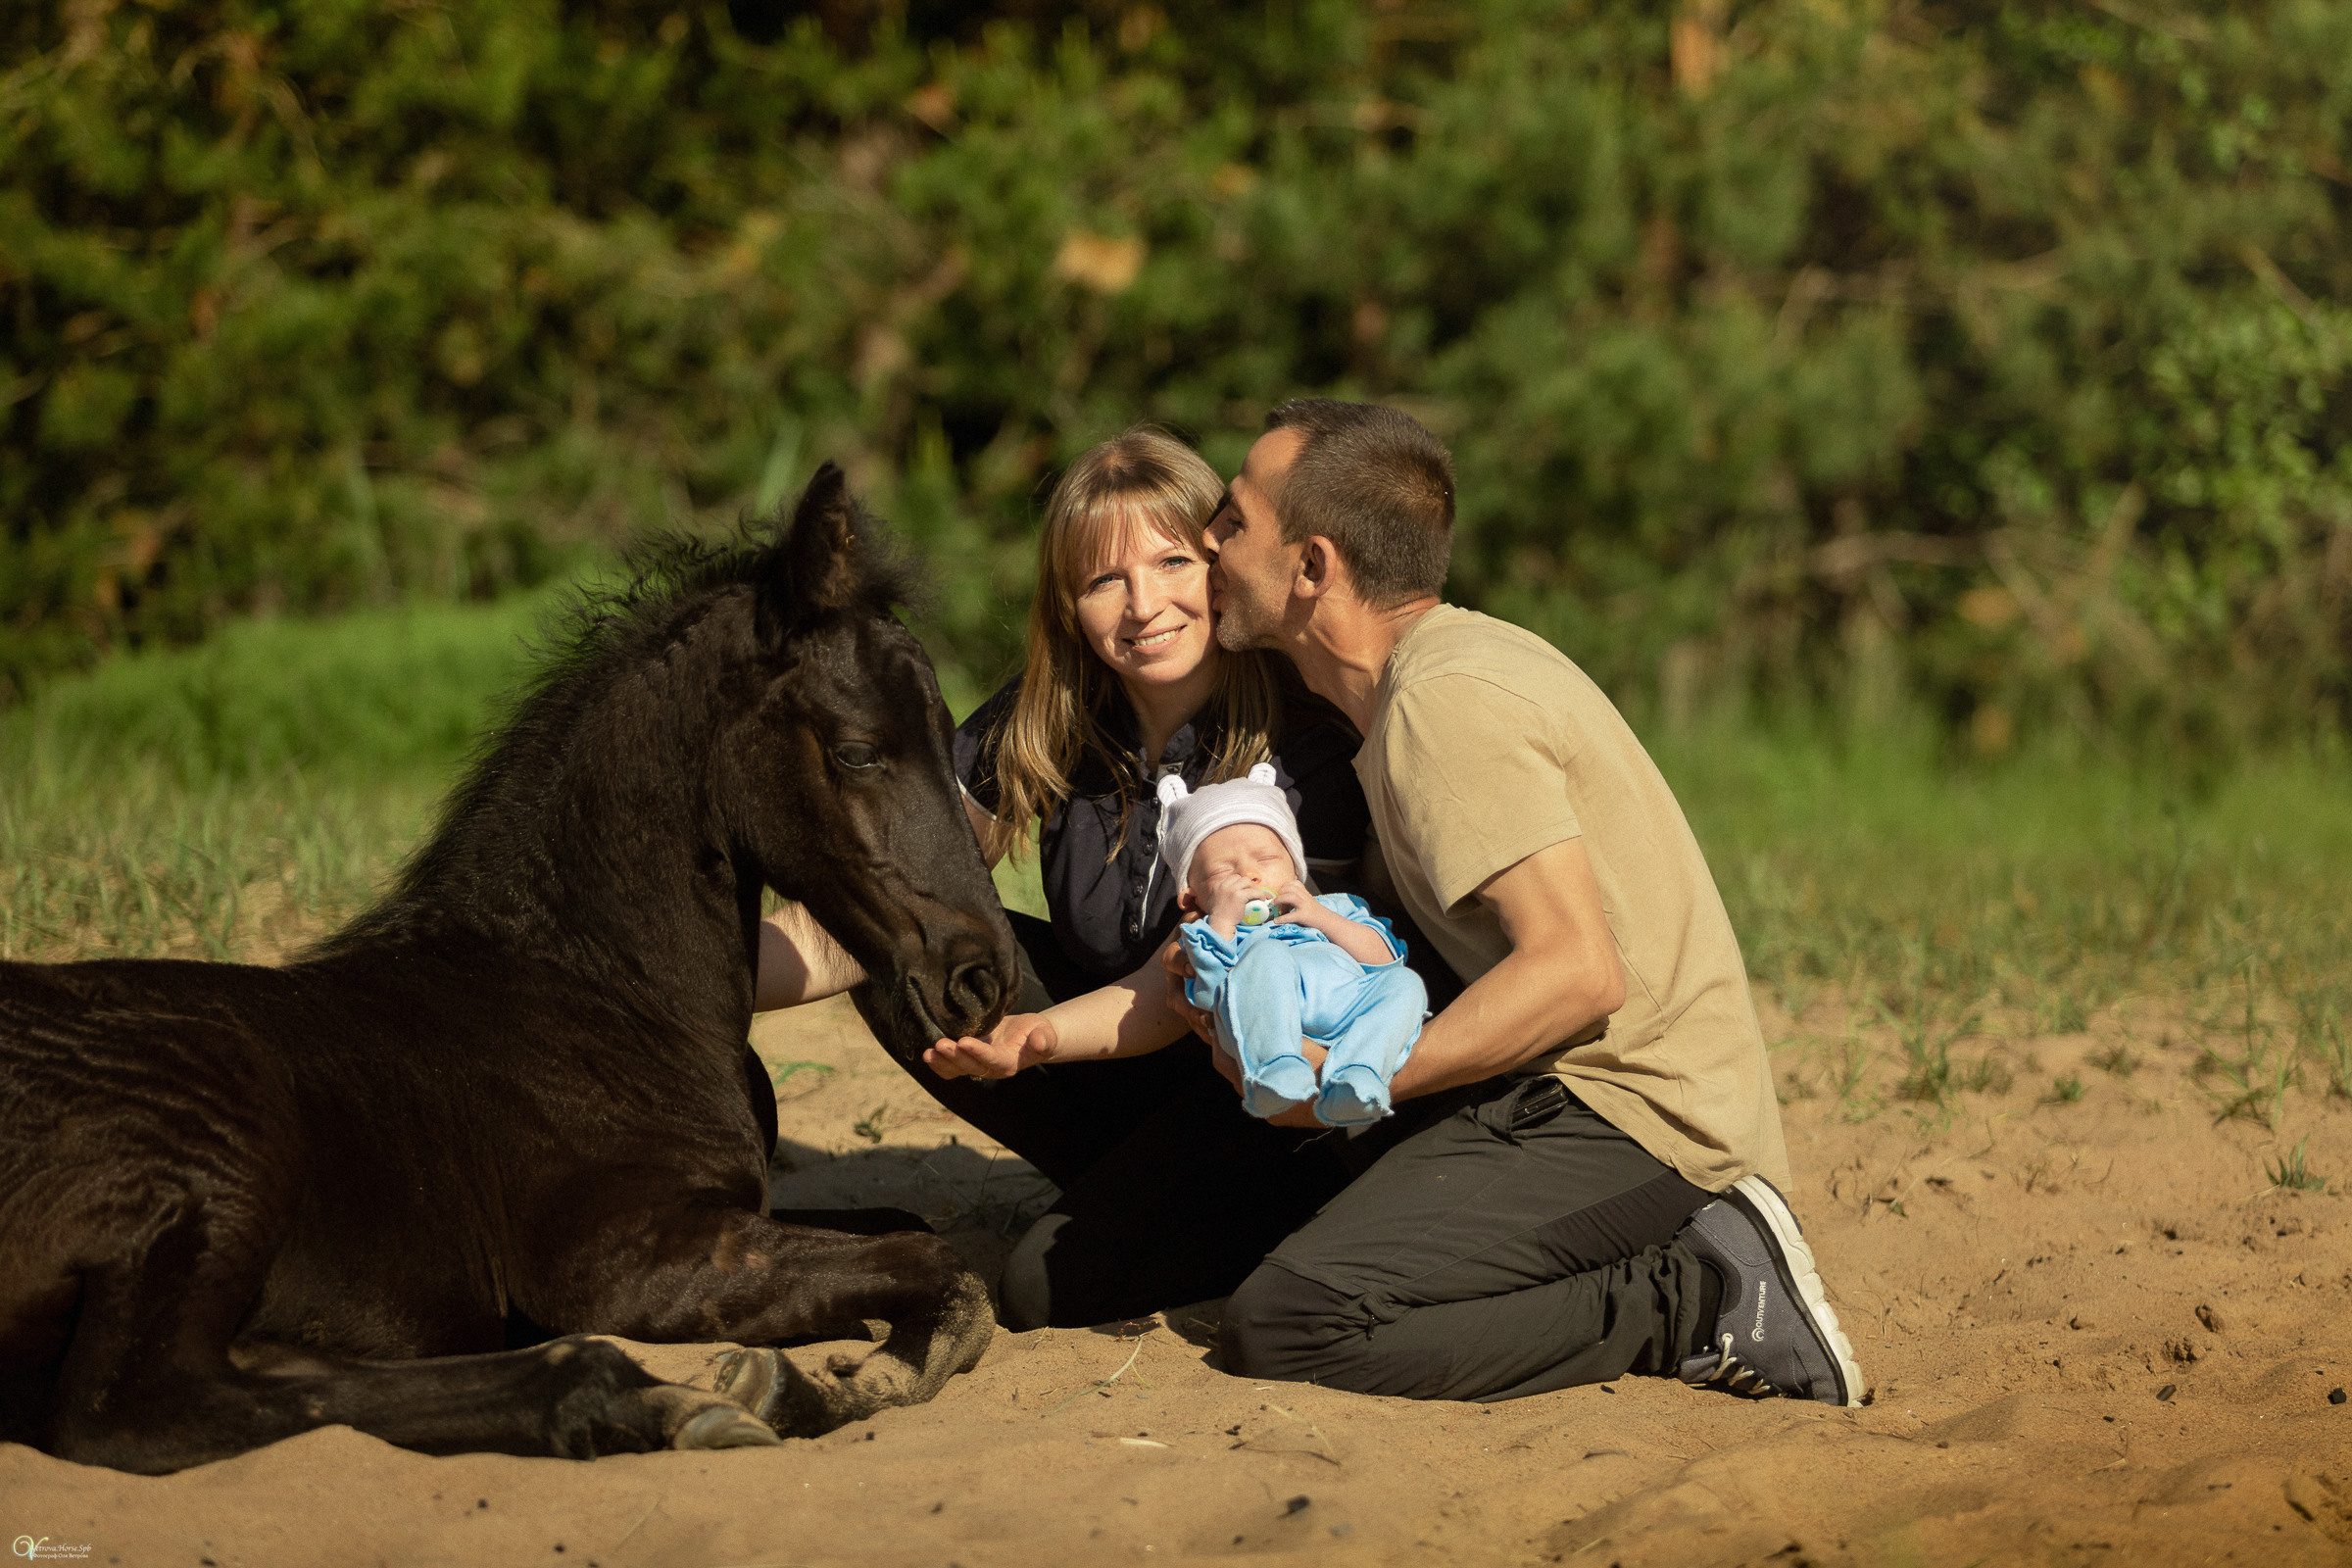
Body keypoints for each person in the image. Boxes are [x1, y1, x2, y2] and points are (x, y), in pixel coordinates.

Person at [1179, 397, 1864, 1405]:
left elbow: (1577, 972)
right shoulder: (1431, 680)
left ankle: (1697, 1294)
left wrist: (1342, 1077)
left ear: (1314, 565)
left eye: (1234, 519)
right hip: (1569, 1091)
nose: (1208, 539)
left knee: (1292, 1320)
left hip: (1640, 1115)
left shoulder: (1443, 703)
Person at [751, 427, 1424, 1331]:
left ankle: (1235, 1218)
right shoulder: (1050, 711)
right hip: (1116, 1058)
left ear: (1220, 564)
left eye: (1173, 561)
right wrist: (688, 984)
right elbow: (882, 894)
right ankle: (1122, 1189)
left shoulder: (1298, 743)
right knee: (903, 942)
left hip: (1262, 1095)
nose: (1144, 605)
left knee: (1038, 1288)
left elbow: (1180, 987)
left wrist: (1033, 1038)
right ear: (1069, 602)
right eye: (1106, 579)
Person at [927, 763, 1426, 1130]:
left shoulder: (1337, 907)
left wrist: (1321, 915)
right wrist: (1225, 924)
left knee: (1405, 986)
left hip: (1346, 1006)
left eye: (1266, 858)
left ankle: (1357, 1075)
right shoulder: (1210, 932)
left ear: (1294, 867)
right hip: (1273, 1026)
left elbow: (1383, 959)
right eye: (1223, 870)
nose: (1248, 873)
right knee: (1268, 957)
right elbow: (1210, 994)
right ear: (1193, 895)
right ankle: (1277, 1070)